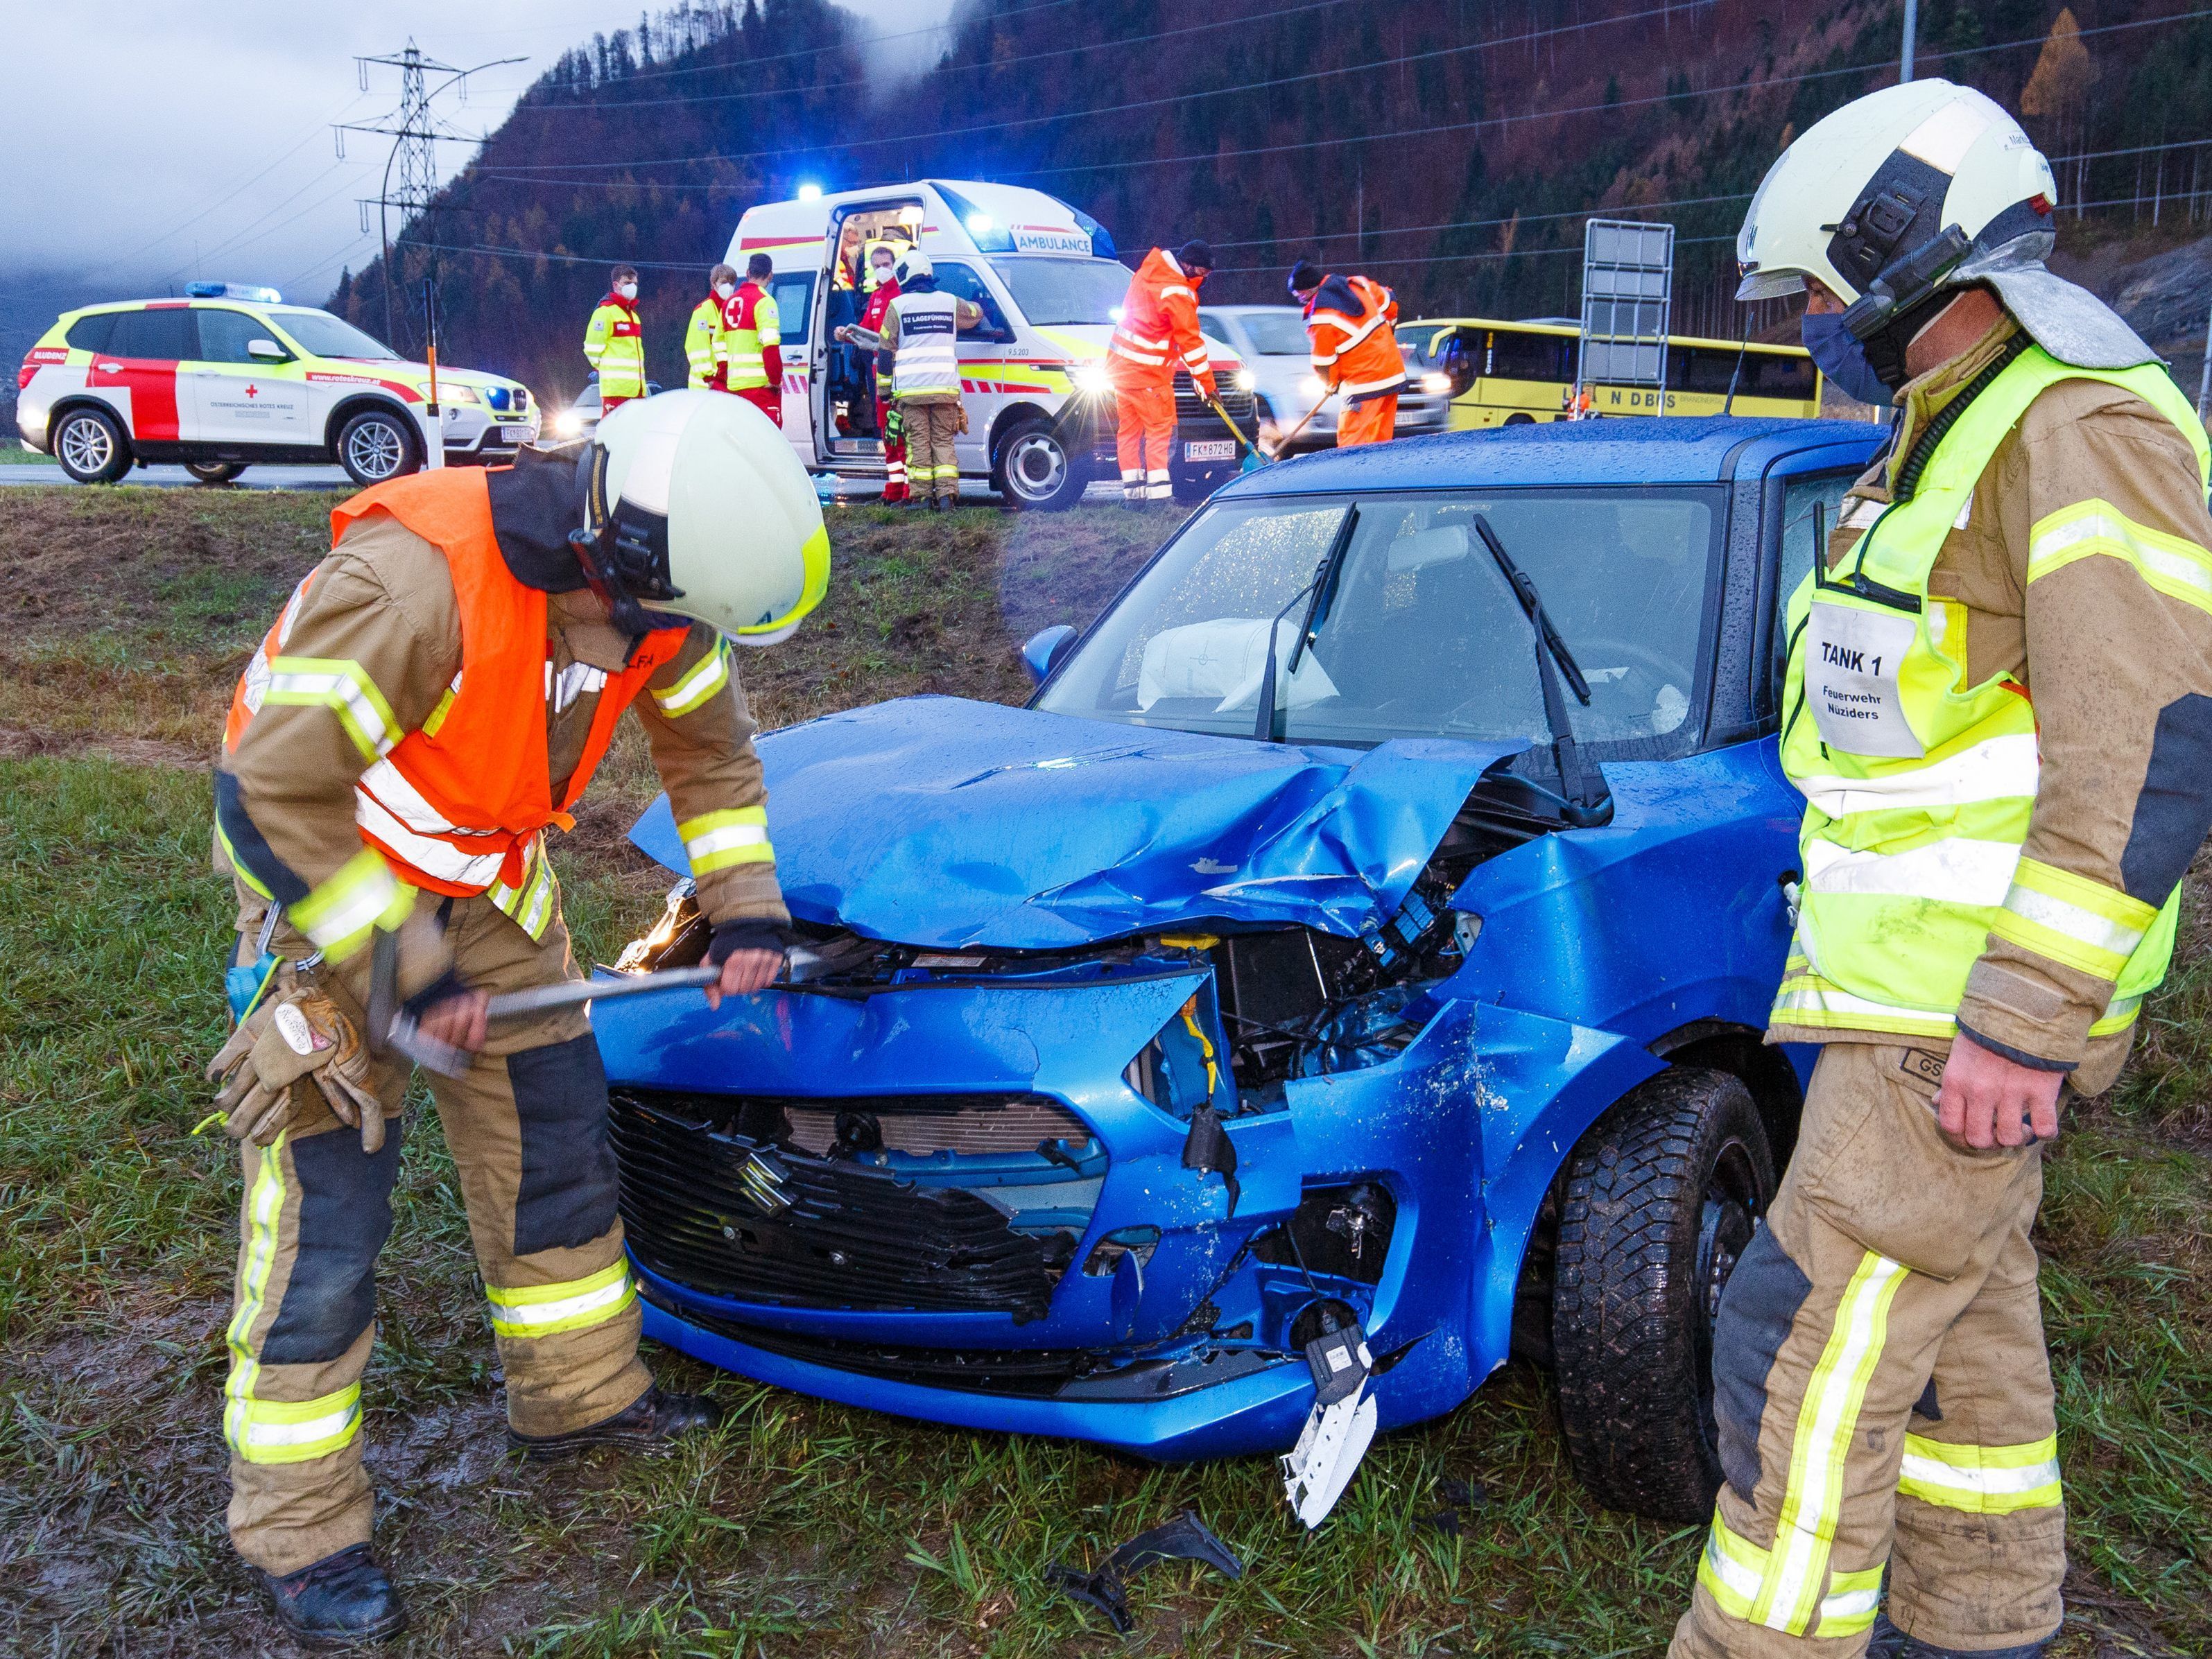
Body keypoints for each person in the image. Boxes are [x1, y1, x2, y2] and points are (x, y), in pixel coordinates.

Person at [1673, 80, 2212, 1659]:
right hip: (1911, 1000)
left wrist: (2019, 1018)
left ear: (1910, 246)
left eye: (1819, 294)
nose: (1810, 328)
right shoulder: (1946, 431)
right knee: (1966, 1344)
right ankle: (1978, 1625)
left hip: (1953, 1016)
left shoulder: (2073, 425)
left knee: (1795, 1351)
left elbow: (2153, 742)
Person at [205, 393, 831, 1644]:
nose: (674, 648)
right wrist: (401, 964)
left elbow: (709, 758)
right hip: (337, 876)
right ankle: (301, 1528)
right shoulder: (412, 583)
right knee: (330, 1201)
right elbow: (270, 788)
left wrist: (746, 906)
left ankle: (581, 1396)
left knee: (552, 1132)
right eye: (664, 625)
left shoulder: (670, 597)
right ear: (610, 558)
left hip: (489, 880)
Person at [844, 248, 980, 511]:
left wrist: (884, 391)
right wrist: (978, 304)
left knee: (918, 443)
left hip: (912, 392)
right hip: (945, 390)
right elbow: (975, 315)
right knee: (943, 442)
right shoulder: (949, 302)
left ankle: (922, 499)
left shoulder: (898, 306)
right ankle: (946, 498)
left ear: (905, 277)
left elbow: (885, 351)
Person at [1107, 239, 1216, 505]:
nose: (1204, 278)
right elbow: (1190, 343)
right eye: (1202, 272)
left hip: (1121, 373)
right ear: (1188, 266)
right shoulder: (1177, 292)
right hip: (1150, 376)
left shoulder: (1149, 272)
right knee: (1159, 432)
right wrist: (1207, 384)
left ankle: (1133, 496)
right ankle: (1159, 499)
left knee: (1129, 434)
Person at [1287, 261, 1406, 447]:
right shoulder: (1359, 284)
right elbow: (1390, 302)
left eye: (1299, 294)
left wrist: (1331, 385)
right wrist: (1387, 336)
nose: (1299, 299)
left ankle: (1353, 477)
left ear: (1307, 291)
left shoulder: (1321, 317)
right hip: (1393, 374)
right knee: (1381, 445)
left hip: (1363, 386)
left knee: (1352, 447)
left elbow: (1324, 364)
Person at [834, 241, 907, 503]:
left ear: (895, 265)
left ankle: (909, 491)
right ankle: (894, 489)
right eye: (876, 267)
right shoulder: (875, 297)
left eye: (886, 265)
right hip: (880, 376)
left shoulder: (902, 295)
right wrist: (845, 334)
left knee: (904, 432)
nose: (881, 270)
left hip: (902, 373)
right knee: (888, 431)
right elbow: (863, 332)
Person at [719, 252, 784, 426]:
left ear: (748, 273)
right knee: (766, 442)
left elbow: (718, 346)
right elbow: (770, 346)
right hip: (760, 389)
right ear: (770, 275)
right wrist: (775, 380)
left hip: (734, 389)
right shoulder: (764, 302)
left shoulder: (727, 304)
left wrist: (724, 377)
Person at [582, 266, 646, 412]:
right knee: (612, 432)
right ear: (616, 285)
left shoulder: (633, 316)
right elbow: (592, 348)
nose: (632, 287)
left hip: (637, 390)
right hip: (616, 391)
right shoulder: (605, 313)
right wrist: (603, 368)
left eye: (635, 284)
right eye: (627, 283)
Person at [686, 264, 737, 390]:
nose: (729, 287)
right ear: (714, 284)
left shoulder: (733, 309)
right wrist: (709, 379)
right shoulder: (703, 311)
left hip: (726, 383)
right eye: (724, 282)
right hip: (705, 386)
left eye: (732, 283)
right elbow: (696, 348)